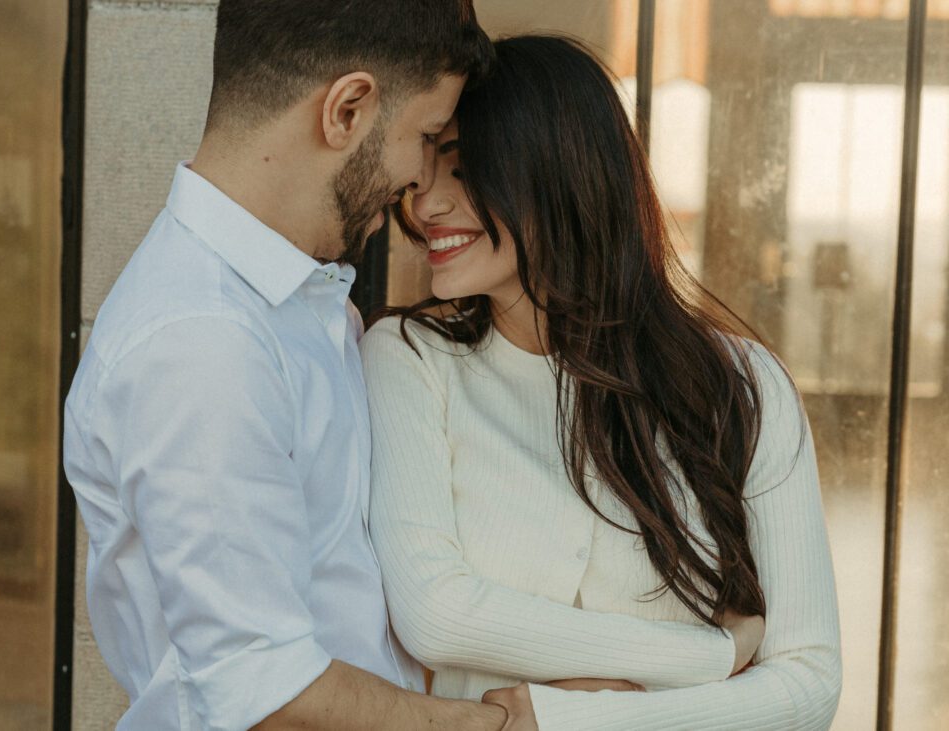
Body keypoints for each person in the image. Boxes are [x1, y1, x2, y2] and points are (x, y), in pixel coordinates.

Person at [361, 35, 842, 730]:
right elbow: (436, 614)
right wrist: (710, 654)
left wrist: (567, 717)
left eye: (462, 167)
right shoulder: (408, 359)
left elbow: (809, 686)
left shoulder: (741, 384)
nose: (427, 203)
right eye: (421, 173)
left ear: (556, 170)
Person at [64, 2, 510, 729]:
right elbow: (265, 691)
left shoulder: (296, 302)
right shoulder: (204, 342)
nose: (420, 179)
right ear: (348, 109)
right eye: (426, 137)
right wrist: (488, 723)